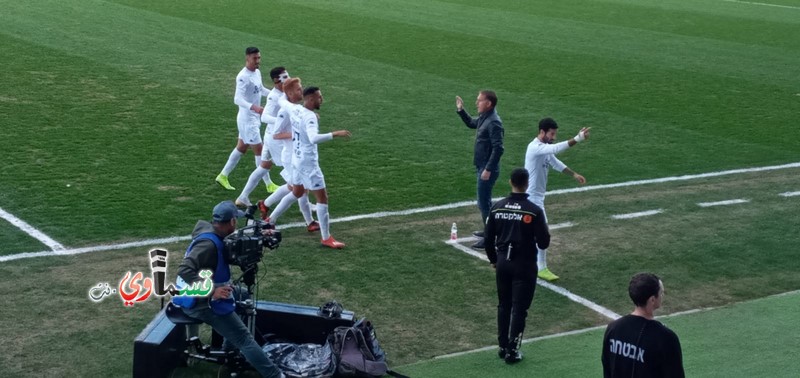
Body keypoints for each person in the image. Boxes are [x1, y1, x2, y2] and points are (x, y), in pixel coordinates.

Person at [174, 201, 284, 378]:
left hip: (194, 294)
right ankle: (276, 375)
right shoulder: (208, 245)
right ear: (232, 221)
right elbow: (184, 270)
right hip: (201, 302)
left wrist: (260, 236)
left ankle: (228, 349)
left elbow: (229, 248)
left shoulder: (213, 234)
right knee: (244, 338)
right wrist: (212, 292)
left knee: (243, 294)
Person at [267, 79, 350, 248]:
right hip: (308, 164)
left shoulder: (295, 109)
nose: (322, 99)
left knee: (297, 192)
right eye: (319, 97)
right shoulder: (310, 117)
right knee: (322, 198)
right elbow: (313, 138)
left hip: (296, 160)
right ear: (311, 99)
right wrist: (336, 134)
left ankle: (270, 220)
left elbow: (282, 100)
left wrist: (285, 87)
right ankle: (326, 237)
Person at [484, 168, 550, 364]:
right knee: (519, 309)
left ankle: (503, 346)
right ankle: (513, 350)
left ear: (510, 181)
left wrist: (494, 260)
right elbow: (544, 243)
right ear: (527, 183)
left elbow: (488, 239)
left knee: (503, 305)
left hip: (503, 262)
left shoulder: (497, 207)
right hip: (525, 264)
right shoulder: (534, 211)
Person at [524, 117, 590, 282]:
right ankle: (542, 267)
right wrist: (577, 139)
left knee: (530, 232)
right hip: (533, 198)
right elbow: (557, 149)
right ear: (542, 132)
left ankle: (526, 260)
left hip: (536, 197)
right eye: (552, 134)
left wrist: (574, 174)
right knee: (543, 233)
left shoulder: (545, 149)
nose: (553, 137)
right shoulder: (535, 148)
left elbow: (556, 162)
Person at [215, 47, 275, 192]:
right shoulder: (243, 77)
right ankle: (268, 184)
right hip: (247, 120)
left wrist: (275, 95)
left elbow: (260, 90)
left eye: (259, 58)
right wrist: (255, 107)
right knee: (260, 151)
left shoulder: (257, 72)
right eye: (255, 58)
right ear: (247, 58)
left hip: (252, 119)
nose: (258, 61)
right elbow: (237, 99)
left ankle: (223, 175)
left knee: (241, 147)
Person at [602, 273, 685, 378]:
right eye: (661, 293)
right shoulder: (666, 338)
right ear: (652, 300)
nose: (663, 295)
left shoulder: (613, 328)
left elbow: (607, 369)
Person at [455, 90, 504, 250]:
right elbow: (471, 123)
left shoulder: (494, 122)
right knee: (485, 202)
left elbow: (498, 148)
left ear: (488, 103)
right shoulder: (486, 118)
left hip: (486, 168)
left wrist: (488, 169)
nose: (476, 103)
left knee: (483, 203)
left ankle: (490, 237)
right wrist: (461, 110)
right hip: (482, 166)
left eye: (479, 100)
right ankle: (489, 230)